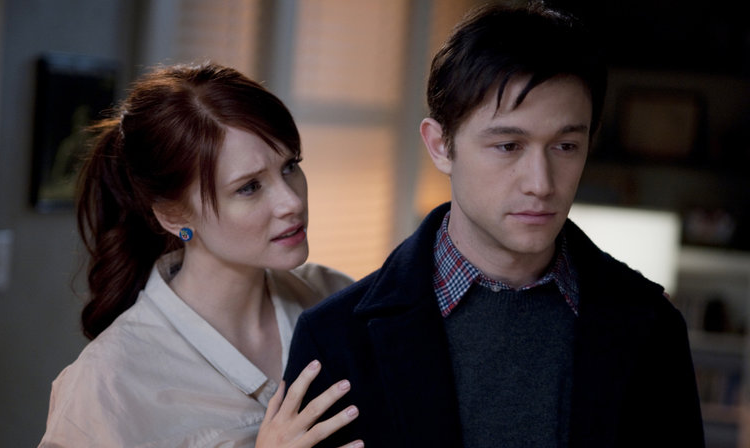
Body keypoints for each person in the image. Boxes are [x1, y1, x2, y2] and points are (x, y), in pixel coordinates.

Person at [283, 3, 704, 447]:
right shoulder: (334, 339)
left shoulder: (652, 327)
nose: (541, 184)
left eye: (565, 146)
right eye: (508, 146)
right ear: (440, 145)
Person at [39, 63, 364, 448]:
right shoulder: (104, 383)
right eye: (249, 187)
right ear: (174, 215)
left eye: (290, 166)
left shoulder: (339, 299)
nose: (291, 201)